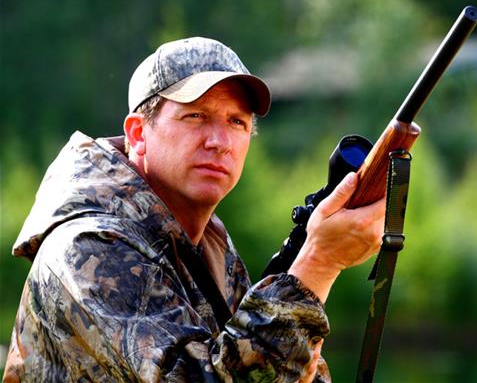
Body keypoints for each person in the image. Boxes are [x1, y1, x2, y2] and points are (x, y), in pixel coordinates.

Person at [3, 37, 418, 382]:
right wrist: (319, 262)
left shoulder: (209, 249)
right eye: (196, 116)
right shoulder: (88, 247)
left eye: (237, 122)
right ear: (138, 134)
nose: (219, 140)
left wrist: (308, 276)